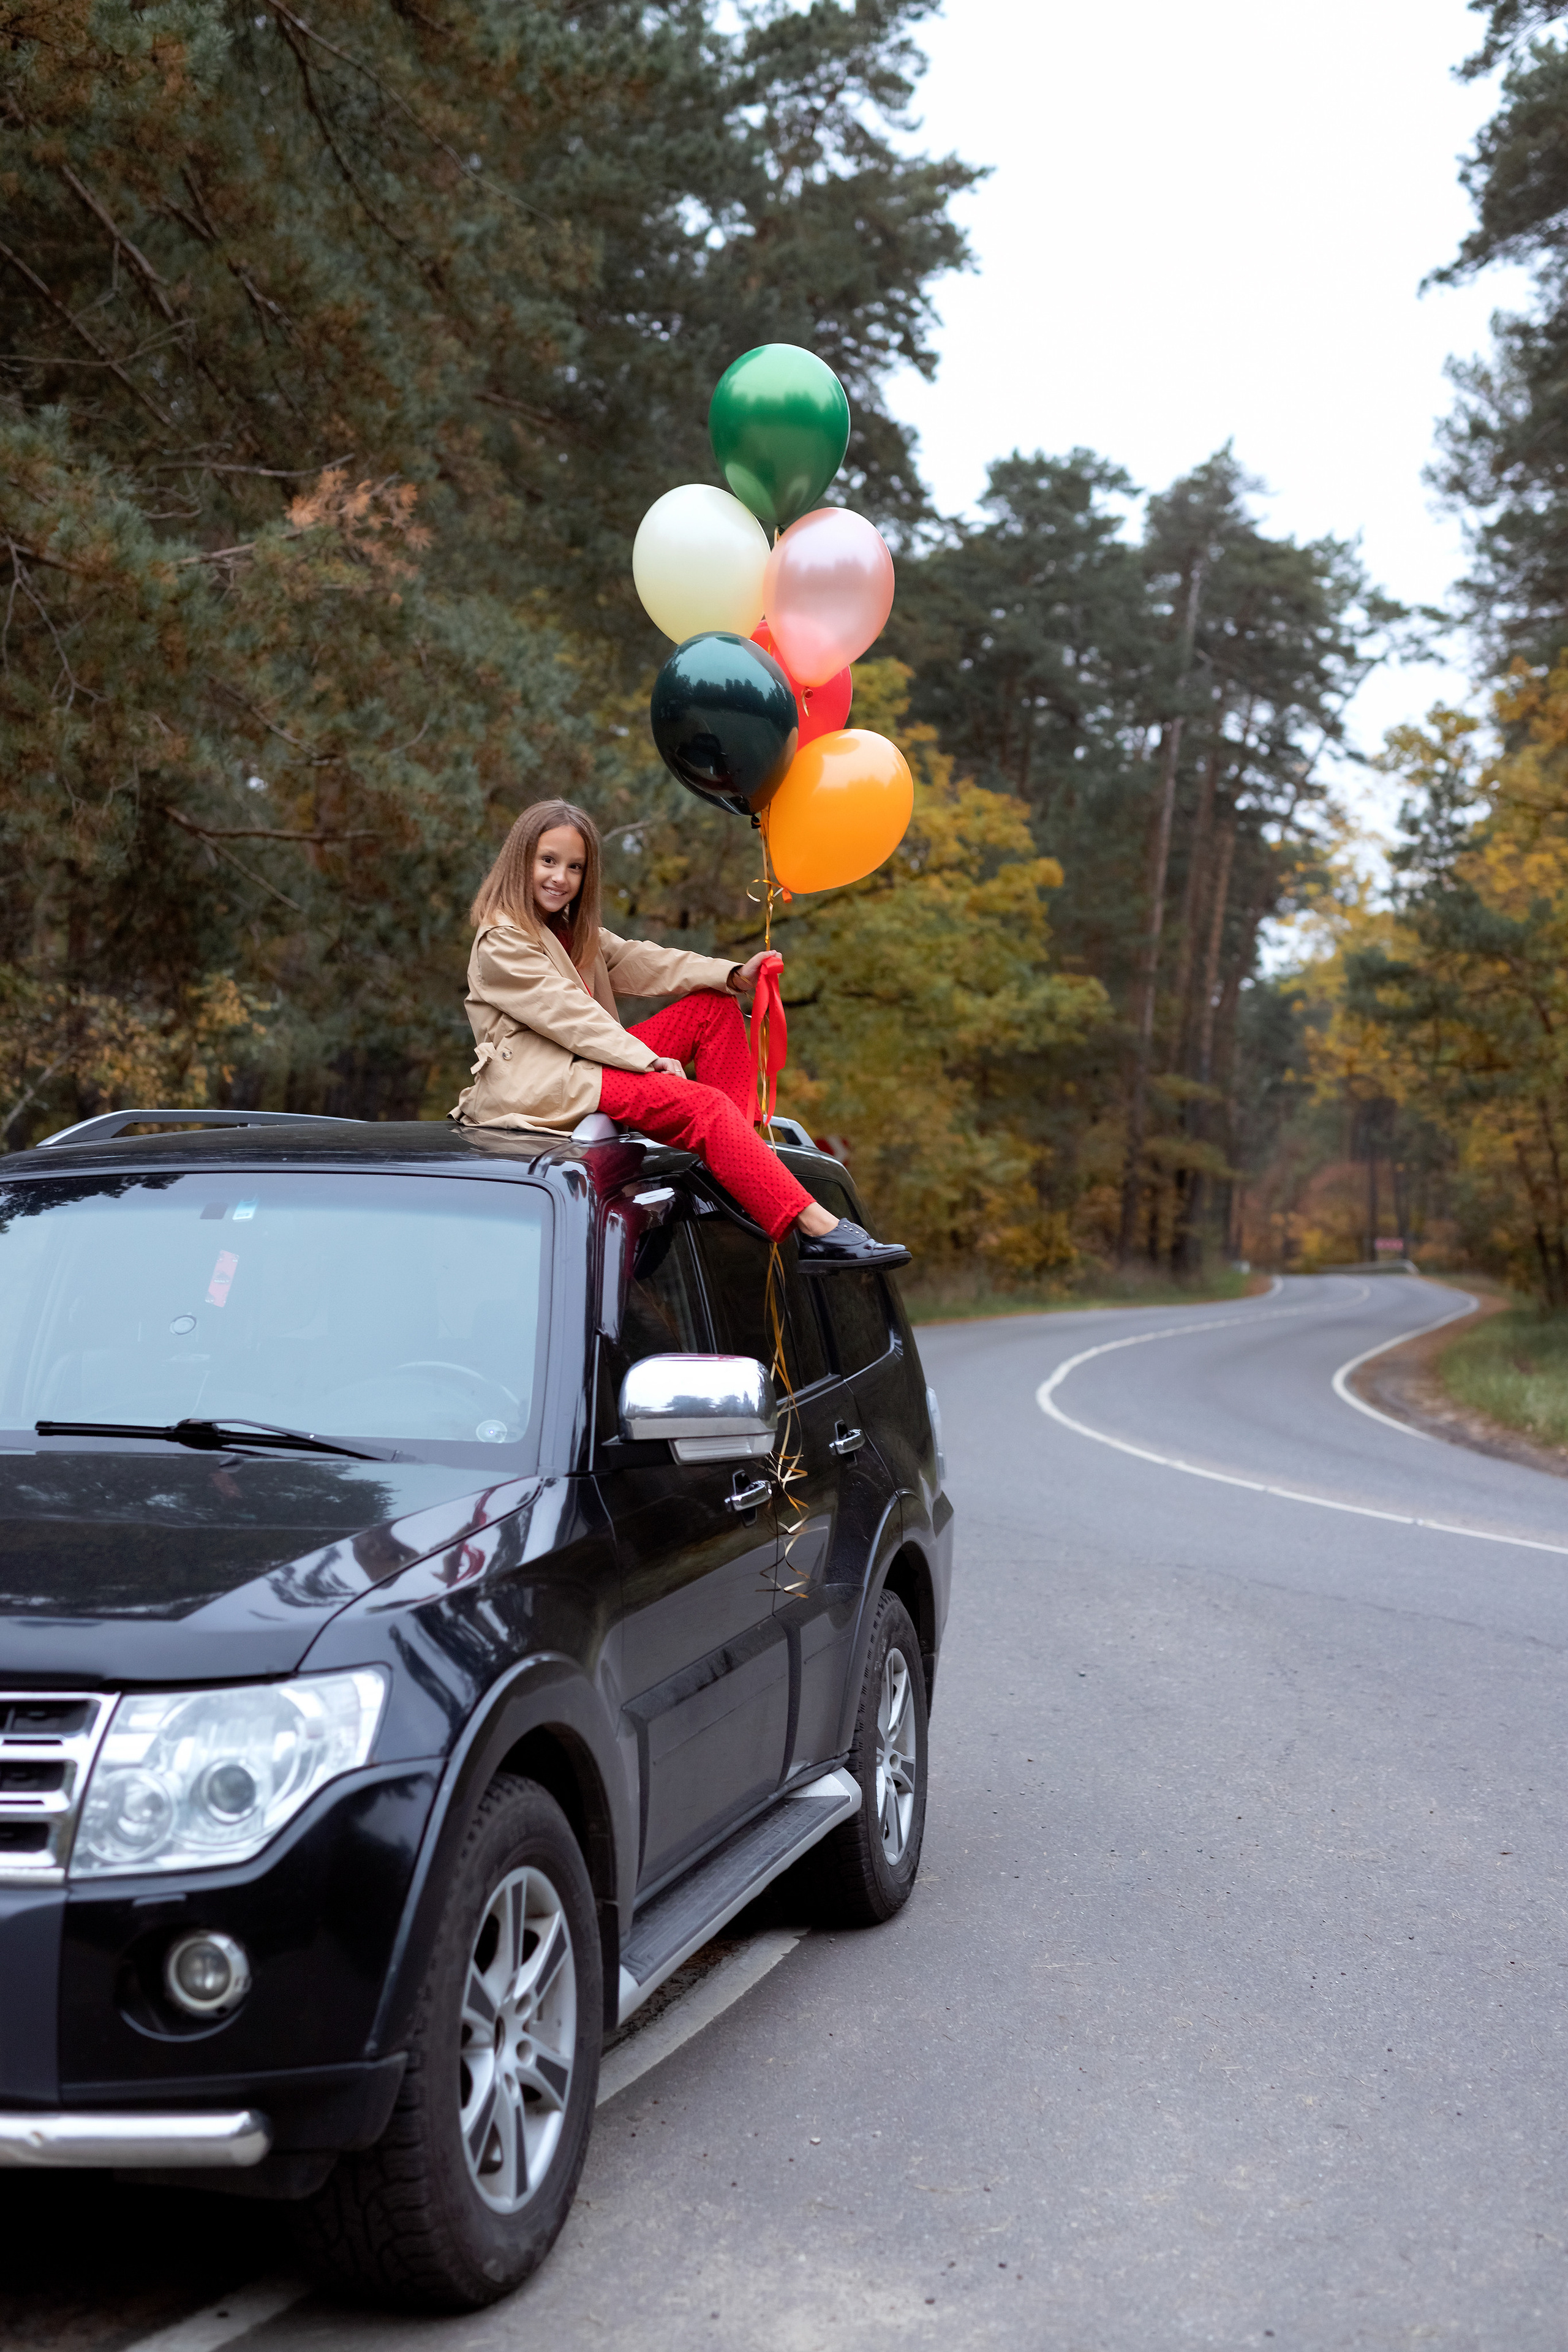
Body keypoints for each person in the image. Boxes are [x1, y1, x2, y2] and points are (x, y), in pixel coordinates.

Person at [452, 799, 909, 1271]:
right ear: (520, 860)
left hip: (585, 1063)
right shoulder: (502, 939)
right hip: (541, 1084)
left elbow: (641, 959)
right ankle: (815, 1228)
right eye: (547, 861)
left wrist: (732, 974)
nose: (560, 878)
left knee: (713, 1008)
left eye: (575, 867)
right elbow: (569, 1016)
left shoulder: (569, 929)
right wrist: (646, 1061)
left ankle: (741, 1163)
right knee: (703, 1107)